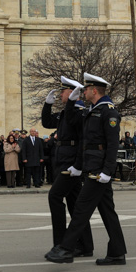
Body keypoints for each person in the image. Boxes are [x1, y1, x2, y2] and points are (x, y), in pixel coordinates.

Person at [45, 72, 127, 266]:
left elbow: (112, 144)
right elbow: (84, 140)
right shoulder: (94, 110)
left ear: (94, 91)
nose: (84, 92)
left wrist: (108, 171)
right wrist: (78, 166)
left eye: (86, 89)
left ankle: (65, 249)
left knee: (81, 208)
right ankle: (117, 252)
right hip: (92, 167)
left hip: (99, 170)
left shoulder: (108, 112)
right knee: (107, 212)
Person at [42, 76, 94, 256]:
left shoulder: (78, 111)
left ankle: (61, 244)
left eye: (63, 92)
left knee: (54, 197)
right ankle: (85, 246)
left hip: (71, 163)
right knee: (74, 205)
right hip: (62, 160)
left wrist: (78, 165)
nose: (60, 95)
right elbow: (47, 123)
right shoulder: (67, 112)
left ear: (72, 93)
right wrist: (47, 105)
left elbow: (82, 140)